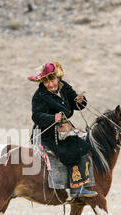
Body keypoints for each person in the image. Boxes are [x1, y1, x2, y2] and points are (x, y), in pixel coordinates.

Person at [28, 62, 97, 198]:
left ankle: (83, 182)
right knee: (72, 150)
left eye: (52, 80)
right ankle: (76, 187)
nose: (50, 84)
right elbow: (36, 116)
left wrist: (81, 101)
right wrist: (53, 117)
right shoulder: (39, 95)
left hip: (63, 130)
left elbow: (76, 104)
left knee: (83, 146)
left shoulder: (64, 87)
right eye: (46, 82)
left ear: (58, 78)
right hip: (46, 133)